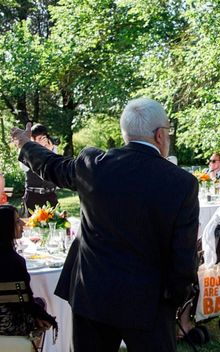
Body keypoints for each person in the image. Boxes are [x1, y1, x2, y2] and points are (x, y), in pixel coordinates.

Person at [11, 97, 199, 352]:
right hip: (148, 301)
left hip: (92, 294)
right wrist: (174, 300)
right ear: (159, 135)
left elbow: (51, 165)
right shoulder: (181, 183)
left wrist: (24, 143)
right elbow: (183, 257)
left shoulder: (93, 165)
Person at [0, 204, 56, 338]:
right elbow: (27, 302)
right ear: (7, 227)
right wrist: (46, 317)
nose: (23, 223)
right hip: (10, 325)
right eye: (17, 221)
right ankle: (29, 345)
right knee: (40, 305)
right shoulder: (15, 261)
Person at [19, 124, 59, 214]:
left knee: (56, 224)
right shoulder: (26, 150)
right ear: (33, 140)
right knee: (33, 226)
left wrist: (49, 151)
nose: (43, 141)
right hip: (33, 196)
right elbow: (24, 167)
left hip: (50, 195)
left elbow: (56, 168)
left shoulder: (52, 148)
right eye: (40, 138)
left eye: (44, 137)